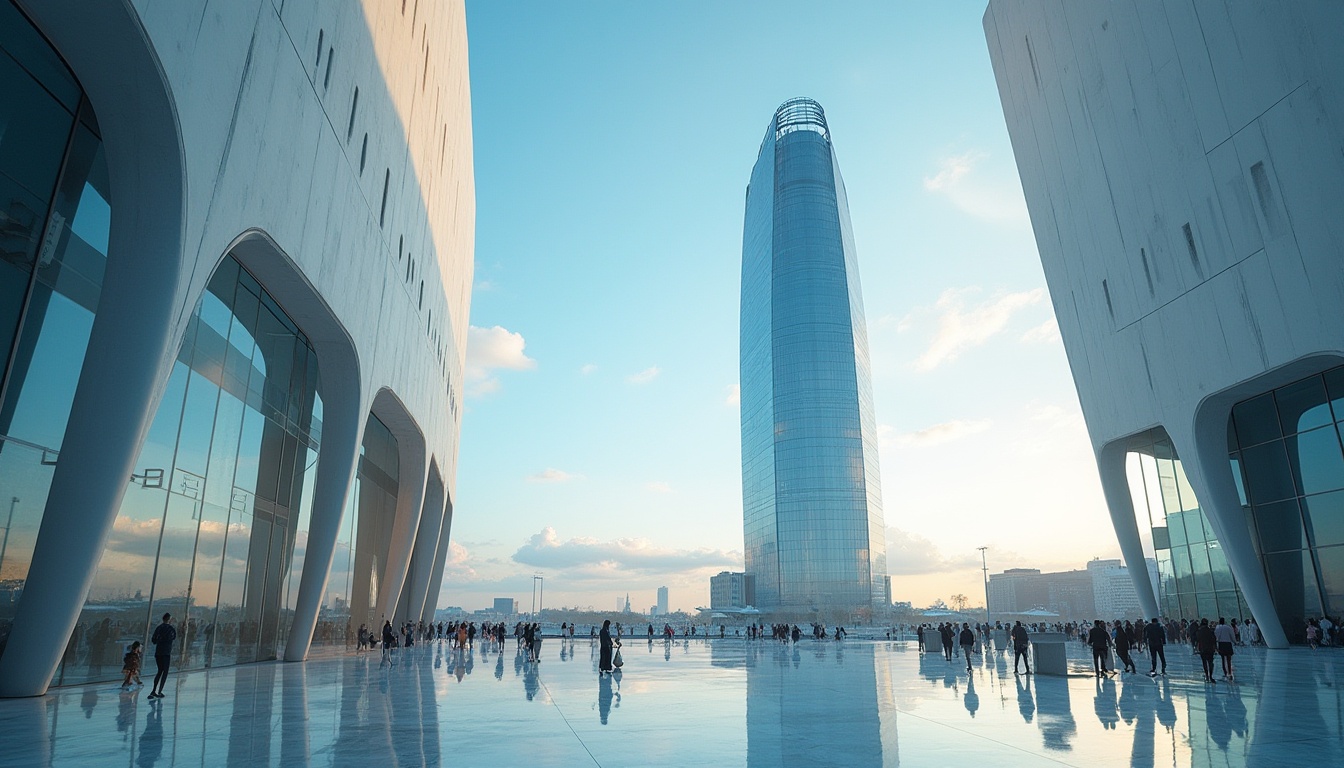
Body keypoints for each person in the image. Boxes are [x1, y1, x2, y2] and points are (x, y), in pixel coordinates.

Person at [148, 613, 176, 700]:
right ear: (169, 620)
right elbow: (173, 638)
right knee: (165, 671)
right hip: (166, 652)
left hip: (158, 652)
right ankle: (160, 691)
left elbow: (154, 640)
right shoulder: (171, 629)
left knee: (160, 671)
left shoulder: (158, 628)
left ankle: (154, 690)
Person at [1196, 618, 1217, 683]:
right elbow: (1214, 640)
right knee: (1210, 662)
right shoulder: (1210, 631)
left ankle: (1207, 675)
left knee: (1204, 662)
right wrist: (1215, 648)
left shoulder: (1199, 631)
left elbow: (1197, 640)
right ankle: (1210, 676)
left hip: (1203, 649)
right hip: (1210, 649)